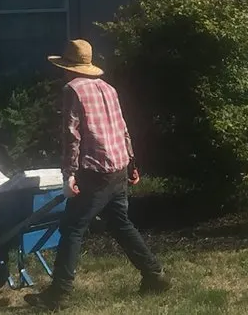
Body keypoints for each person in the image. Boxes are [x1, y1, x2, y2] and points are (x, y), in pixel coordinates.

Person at [25, 39, 169, 311]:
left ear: (68, 68)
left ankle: (58, 295)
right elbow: (122, 128)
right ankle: (155, 275)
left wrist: (69, 175)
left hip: (95, 171)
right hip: (117, 167)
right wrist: (132, 164)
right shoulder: (108, 89)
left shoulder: (72, 90)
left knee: (72, 228)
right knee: (120, 223)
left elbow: (72, 136)